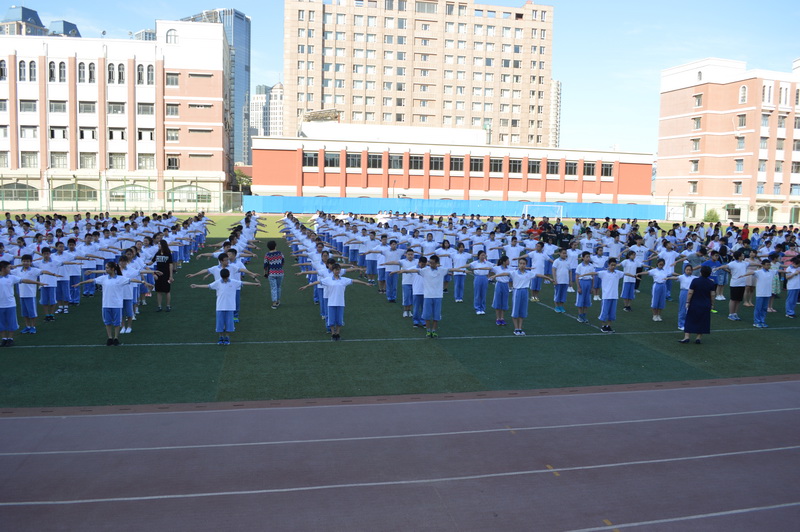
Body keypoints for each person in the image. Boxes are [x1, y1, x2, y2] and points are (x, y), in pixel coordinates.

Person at [73, 262, 147, 346]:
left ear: (112, 269)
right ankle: (109, 338)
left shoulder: (120, 279)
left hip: (117, 305)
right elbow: (92, 280)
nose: (106, 269)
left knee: (117, 323)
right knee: (107, 322)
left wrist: (142, 282)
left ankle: (116, 338)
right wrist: (80, 283)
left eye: (107, 268)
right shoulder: (103, 278)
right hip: (106, 304)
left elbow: (131, 280)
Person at [299, 263, 370, 341]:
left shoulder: (343, 280)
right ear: (333, 270)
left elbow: (354, 281)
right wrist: (306, 286)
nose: (337, 271)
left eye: (338, 270)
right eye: (336, 270)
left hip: (340, 303)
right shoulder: (328, 280)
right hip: (331, 303)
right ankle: (333, 333)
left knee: (339, 320)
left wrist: (365, 283)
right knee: (331, 320)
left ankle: (338, 333)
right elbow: (317, 282)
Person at [190, 268, 261, 345]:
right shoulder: (218, 283)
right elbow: (208, 286)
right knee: (220, 324)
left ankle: (227, 337)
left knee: (229, 324)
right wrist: (196, 286)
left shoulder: (233, 282)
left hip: (230, 307)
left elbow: (243, 283)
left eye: (226, 278)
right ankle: (221, 337)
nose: (225, 279)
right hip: (220, 307)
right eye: (224, 278)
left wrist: (254, 284)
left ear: (228, 276)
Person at [490, 256, 549, 336]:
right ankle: (516, 328)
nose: (522, 265)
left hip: (525, 291)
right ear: (518, 264)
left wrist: (549, 278)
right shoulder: (514, 272)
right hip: (517, 291)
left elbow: (538, 275)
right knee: (516, 310)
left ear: (526, 264)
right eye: (520, 263)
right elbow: (504, 273)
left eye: (524, 264)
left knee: (522, 310)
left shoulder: (529, 273)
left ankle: (520, 328)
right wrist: (495, 276)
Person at [1, 260, 46, 346]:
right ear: (3, 268)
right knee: (1, 323)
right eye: (8, 267)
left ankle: (10, 339)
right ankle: (4, 339)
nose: (10, 269)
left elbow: (24, 280)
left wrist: (37, 282)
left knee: (11, 322)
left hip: (10, 304)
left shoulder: (12, 277)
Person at [679, 265, 718, 344]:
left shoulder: (695, 281)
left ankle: (687, 337)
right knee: (702, 321)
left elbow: (690, 292)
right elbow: (713, 295)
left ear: (701, 272)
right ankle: (698, 338)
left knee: (689, 319)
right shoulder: (711, 282)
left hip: (694, 303)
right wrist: (712, 304)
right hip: (705, 304)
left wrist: (687, 302)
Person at [741, 259, 777, 328]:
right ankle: (756, 322)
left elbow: (779, 271)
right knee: (758, 308)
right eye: (767, 265)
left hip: (767, 293)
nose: (768, 266)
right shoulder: (759, 272)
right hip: (760, 293)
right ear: (763, 265)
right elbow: (752, 272)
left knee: (764, 308)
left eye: (769, 265)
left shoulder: (771, 272)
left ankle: (762, 321)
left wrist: (787, 271)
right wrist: (743, 275)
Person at [153, 240, 174, 311]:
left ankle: (168, 306)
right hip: (158, 274)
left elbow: (170, 264)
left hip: (166, 274)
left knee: (167, 291)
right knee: (158, 291)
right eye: (158, 244)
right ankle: (159, 306)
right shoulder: (157, 253)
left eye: (160, 244)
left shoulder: (168, 253)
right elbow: (152, 261)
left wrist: (171, 276)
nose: (158, 245)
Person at [263, 240, 285, 309]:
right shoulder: (280, 253)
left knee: (273, 288)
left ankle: (274, 302)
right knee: (278, 287)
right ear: (275, 246)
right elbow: (283, 262)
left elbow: (265, 265)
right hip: (280, 272)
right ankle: (278, 300)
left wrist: (265, 273)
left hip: (272, 273)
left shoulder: (267, 255)